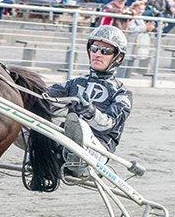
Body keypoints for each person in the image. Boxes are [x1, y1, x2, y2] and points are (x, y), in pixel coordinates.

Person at [48, 25, 132, 176]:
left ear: (118, 58)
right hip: (64, 140)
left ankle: (75, 161)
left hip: (97, 150)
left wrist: (89, 111)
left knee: (79, 124)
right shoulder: (74, 83)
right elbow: (46, 100)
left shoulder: (122, 95)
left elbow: (108, 125)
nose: (97, 54)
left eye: (105, 51)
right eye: (94, 48)